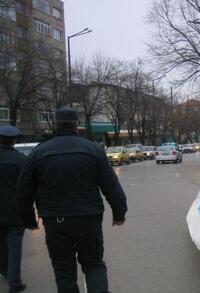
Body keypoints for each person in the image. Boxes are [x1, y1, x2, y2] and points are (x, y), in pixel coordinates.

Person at [16, 108, 128, 293]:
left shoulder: (38, 153)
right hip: (88, 218)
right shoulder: (93, 149)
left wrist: (29, 220)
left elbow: (23, 191)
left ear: (56, 125)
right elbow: (111, 185)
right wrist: (119, 213)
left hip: (55, 220)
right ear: (77, 125)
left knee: (64, 271)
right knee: (93, 265)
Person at [0, 126, 28, 293]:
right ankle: (14, 281)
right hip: (14, 211)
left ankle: (5, 270)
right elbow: (27, 187)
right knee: (14, 245)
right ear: (15, 141)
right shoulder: (20, 160)